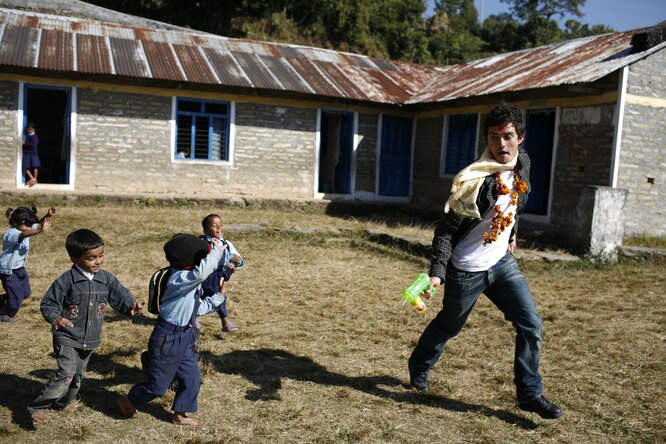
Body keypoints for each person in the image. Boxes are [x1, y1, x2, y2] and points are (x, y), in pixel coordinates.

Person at [407, 103, 563, 419]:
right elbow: (446, 231)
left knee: (531, 324)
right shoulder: (473, 182)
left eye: (507, 137)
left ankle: (529, 394)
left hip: (501, 263)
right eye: (494, 137)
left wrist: (512, 231)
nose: (501, 145)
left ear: (520, 137)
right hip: (466, 269)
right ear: (487, 138)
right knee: (449, 325)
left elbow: (516, 201)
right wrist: (438, 272)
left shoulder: (524, 163)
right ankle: (419, 364)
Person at [28, 229, 144, 424]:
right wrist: (56, 318)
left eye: (101, 256)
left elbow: (120, 297)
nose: (98, 261)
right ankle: (39, 406)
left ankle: (63, 402)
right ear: (75, 259)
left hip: (90, 338)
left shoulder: (106, 278)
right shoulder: (67, 280)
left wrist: (131, 307)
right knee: (66, 373)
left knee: (78, 376)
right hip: (67, 336)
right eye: (91, 258)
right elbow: (48, 303)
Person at [119, 233, 227, 427]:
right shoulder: (180, 279)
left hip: (185, 334)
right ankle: (130, 400)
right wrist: (217, 251)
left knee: (192, 377)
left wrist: (217, 298)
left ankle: (180, 414)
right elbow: (202, 273)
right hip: (167, 338)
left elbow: (196, 308)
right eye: (202, 257)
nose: (204, 260)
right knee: (158, 388)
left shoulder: (189, 281)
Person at [0, 206, 56, 322]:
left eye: (31, 225)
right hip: (8, 270)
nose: (30, 228)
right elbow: (23, 235)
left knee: (25, 292)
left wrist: (48, 215)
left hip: (19, 268)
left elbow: (37, 224)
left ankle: (3, 299)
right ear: (15, 222)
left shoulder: (25, 227)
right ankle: (6, 314)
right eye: (28, 225)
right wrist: (40, 230)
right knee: (17, 294)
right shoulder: (12, 233)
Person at [200, 213, 244, 332]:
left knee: (220, 297)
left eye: (221, 224)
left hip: (218, 277)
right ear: (205, 230)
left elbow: (237, 259)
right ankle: (194, 320)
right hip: (203, 277)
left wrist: (237, 261)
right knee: (197, 297)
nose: (219, 228)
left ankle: (225, 321)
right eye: (214, 226)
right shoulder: (201, 243)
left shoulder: (227, 244)